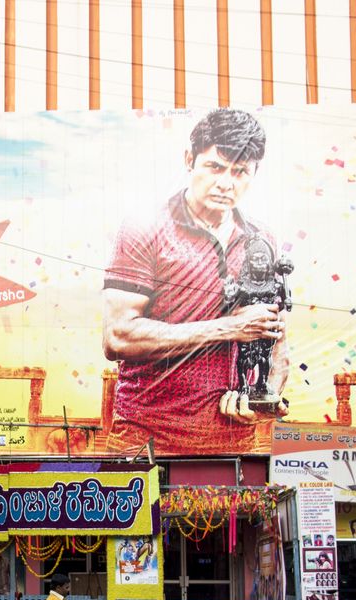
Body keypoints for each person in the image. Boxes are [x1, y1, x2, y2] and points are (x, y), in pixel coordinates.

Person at [102, 107, 289, 456]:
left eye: (239, 172)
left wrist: (266, 397)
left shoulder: (261, 239)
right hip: (145, 440)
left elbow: (277, 341)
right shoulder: (146, 226)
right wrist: (228, 327)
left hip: (234, 443)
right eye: (215, 167)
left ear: (254, 173)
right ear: (190, 160)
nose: (225, 183)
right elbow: (117, 336)